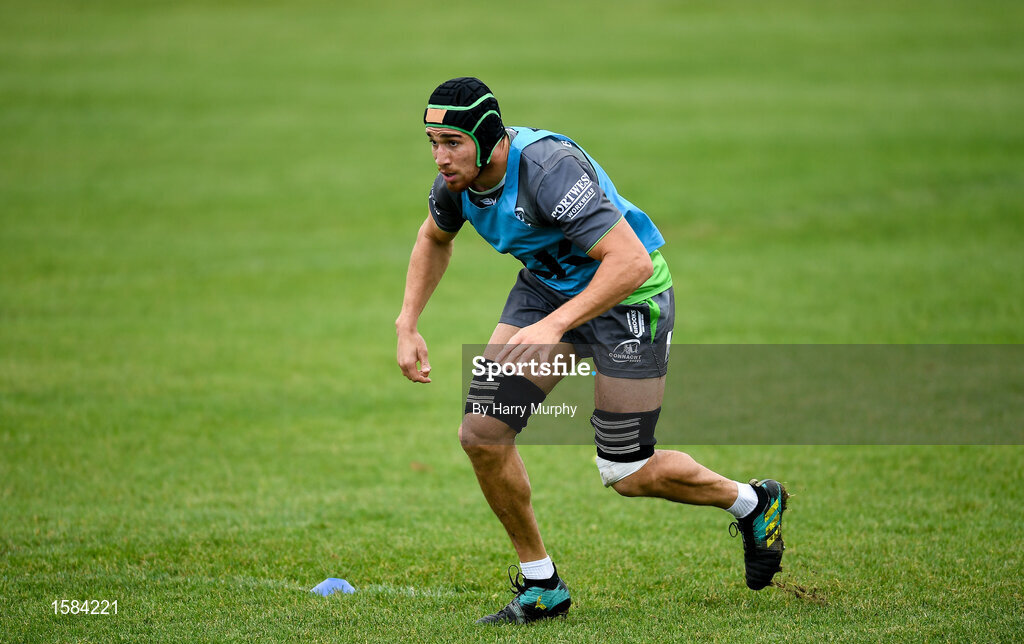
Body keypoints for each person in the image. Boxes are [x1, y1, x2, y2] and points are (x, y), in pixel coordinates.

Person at [396, 77, 788, 625]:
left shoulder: (547, 171)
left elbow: (632, 263)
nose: (440, 157)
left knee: (626, 470)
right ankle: (542, 586)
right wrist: (408, 322)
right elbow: (433, 238)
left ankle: (751, 502)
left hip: (628, 300)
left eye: (453, 142)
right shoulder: (456, 183)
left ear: (487, 138)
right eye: (433, 143)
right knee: (482, 434)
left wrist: (555, 326)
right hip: (548, 291)